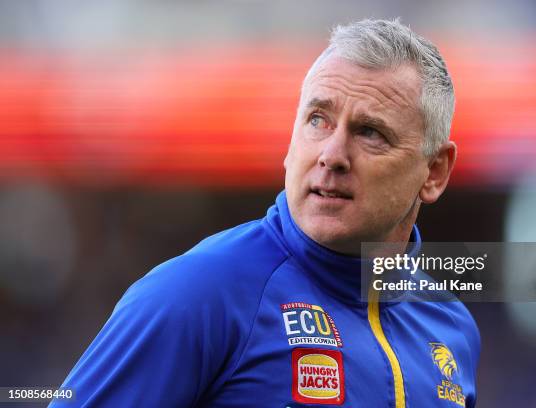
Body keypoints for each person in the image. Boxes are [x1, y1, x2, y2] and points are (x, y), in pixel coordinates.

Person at [51, 18, 479, 407]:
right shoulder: (196, 294)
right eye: (317, 120)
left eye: (369, 132)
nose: (332, 155)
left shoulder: (450, 326)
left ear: (435, 172)